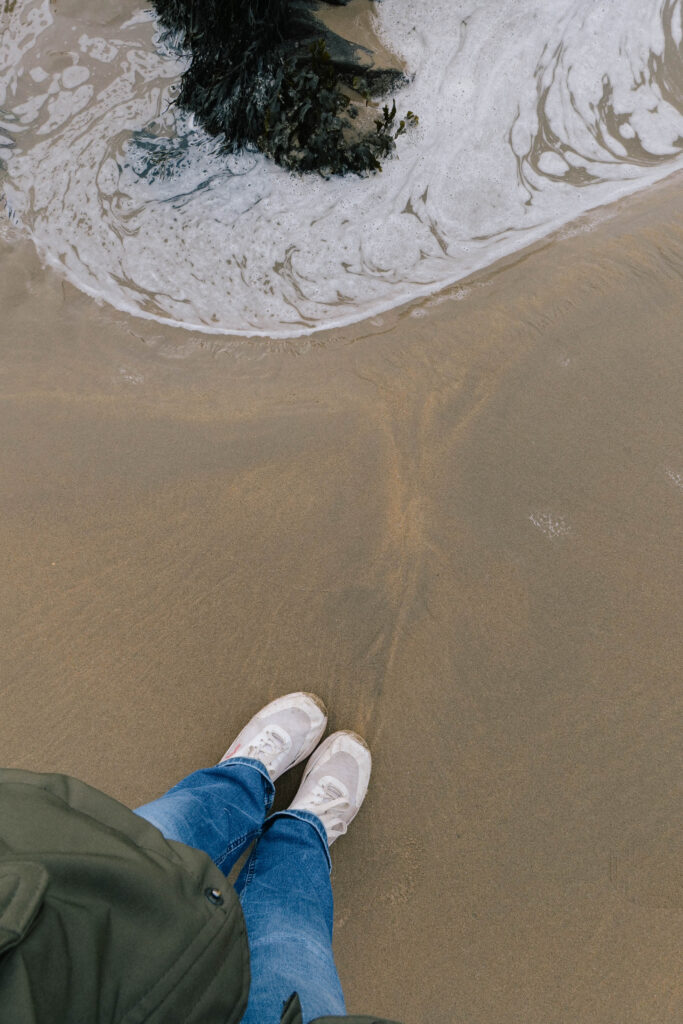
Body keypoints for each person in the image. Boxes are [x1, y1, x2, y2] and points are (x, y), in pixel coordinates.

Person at [0, 692, 399, 1024]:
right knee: (289, 935)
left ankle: (242, 776)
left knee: (161, 839)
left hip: (54, 917)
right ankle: (303, 832)